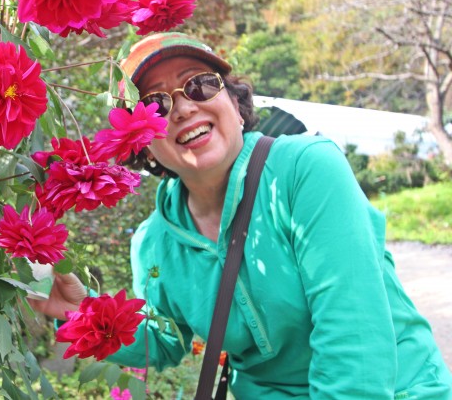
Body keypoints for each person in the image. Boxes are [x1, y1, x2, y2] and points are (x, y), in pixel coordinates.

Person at [30, 32, 452, 399]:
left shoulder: (305, 171)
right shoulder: (154, 241)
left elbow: (354, 340)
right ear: (141, 143)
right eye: (154, 105)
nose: (181, 108)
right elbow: (164, 341)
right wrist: (82, 313)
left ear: (233, 100)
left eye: (199, 85)